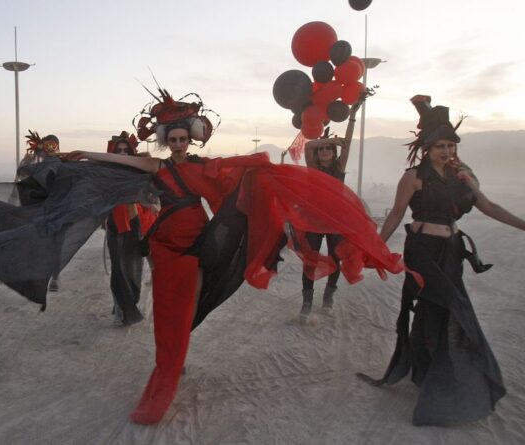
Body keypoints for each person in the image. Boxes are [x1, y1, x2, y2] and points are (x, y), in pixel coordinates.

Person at [65, 88, 404, 424]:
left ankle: (175, 355)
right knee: (169, 308)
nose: (179, 144)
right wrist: (86, 154)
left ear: (191, 140)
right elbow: (123, 160)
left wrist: (261, 172)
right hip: (166, 245)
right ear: (166, 140)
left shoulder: (204, 167)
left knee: (189, 305)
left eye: (183, 139)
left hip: (199, 242)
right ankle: (170, 358)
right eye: (174, 139)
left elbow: (237, 176)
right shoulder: (157, 166)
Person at [361, 95, 525, 425]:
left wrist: (523, 224)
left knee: (436, 312)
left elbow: (489, 207)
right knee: (451, 308)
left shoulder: (463, 176)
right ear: (427, 148)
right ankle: (439, 378)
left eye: (451, 145)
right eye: (440, 146)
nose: (447, 151)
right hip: (422, 251)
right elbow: (396, 214)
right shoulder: (413, 177)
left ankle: (428, 371)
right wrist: (375, 248)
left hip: (451, 253)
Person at [299, 99, 363, 320]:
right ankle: (307, 302)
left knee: (336, 258)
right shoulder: (313, 169)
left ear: (334, 153)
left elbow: (348, 143)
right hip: (314, 220)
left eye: (329, 149)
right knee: (310, 260)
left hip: (336, 221)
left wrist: (352, 116)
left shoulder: (339, 167)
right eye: (322, 149)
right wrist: (330, 139)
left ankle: (328, 297)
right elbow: (308, 146)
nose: (325, 150)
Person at [104, 132, 155, 325]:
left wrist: (152, 203)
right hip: (114, 226)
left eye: (126, 150)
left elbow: (150, 197)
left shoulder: (137, 172)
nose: (123, 153)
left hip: (134, 225)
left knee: (133, 270)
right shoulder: (106, 173)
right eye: (119, 150)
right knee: (118, 270)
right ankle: (121, 309)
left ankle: (129, 305)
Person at [16, 131, 62, 292]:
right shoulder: (34, 162)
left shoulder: (62, 162)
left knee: (56, 244)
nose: (51, 149)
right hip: (37, 209)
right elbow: (21, 177)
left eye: (53, 146)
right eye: (47, 145)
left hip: (57, 209)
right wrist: (27, 161)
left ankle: (54, 277)